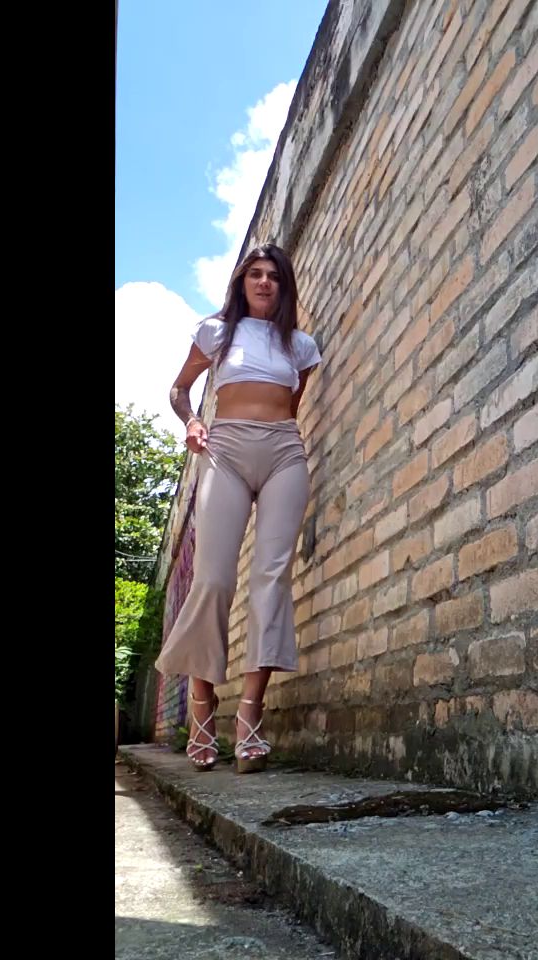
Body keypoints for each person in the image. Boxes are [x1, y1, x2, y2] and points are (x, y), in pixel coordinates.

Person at [154, 243, 321, 773]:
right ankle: (202, 708)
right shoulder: (216, 333)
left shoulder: (300, 346)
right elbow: (180, 389)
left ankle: (250, 714)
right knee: (212, 579)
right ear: (242, 282)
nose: (265, 282)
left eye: (274, 275)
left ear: (284, 286)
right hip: (224, 450)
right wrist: (192, 421)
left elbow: (291, 407)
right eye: (256, 274)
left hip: (283, 453)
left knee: (271, 578)